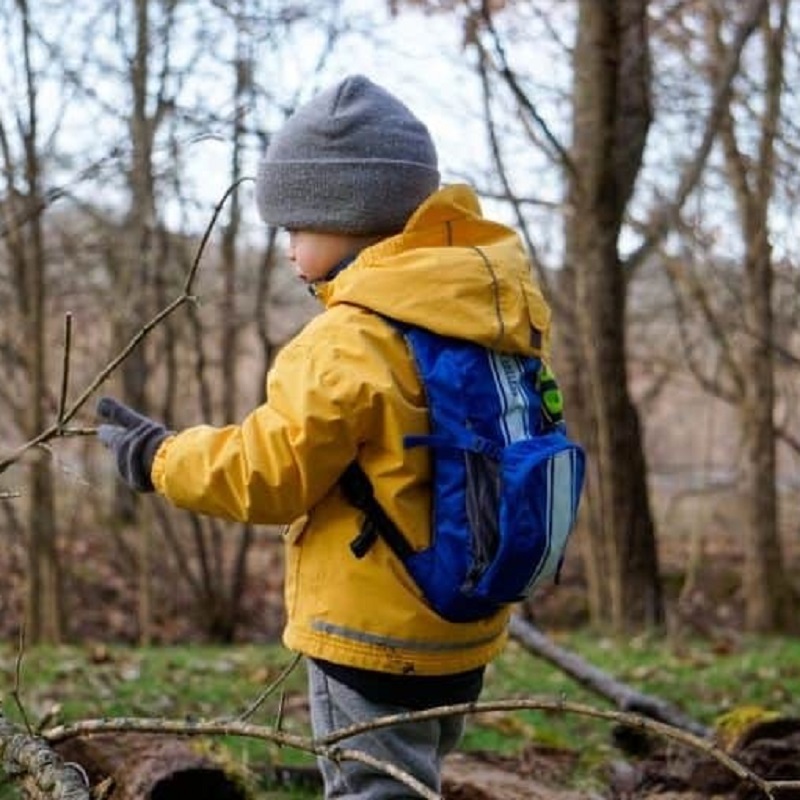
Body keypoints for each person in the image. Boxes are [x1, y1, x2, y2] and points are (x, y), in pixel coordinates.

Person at [96, 74, 553, 798]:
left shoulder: (346, 341)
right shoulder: (489, 312)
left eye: (295, 228)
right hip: (465, 626)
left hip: (372, 635)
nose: (285, 249)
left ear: (350, 220)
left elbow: (266, 474)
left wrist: (158, 457)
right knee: (414, 778)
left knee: (375, 790)